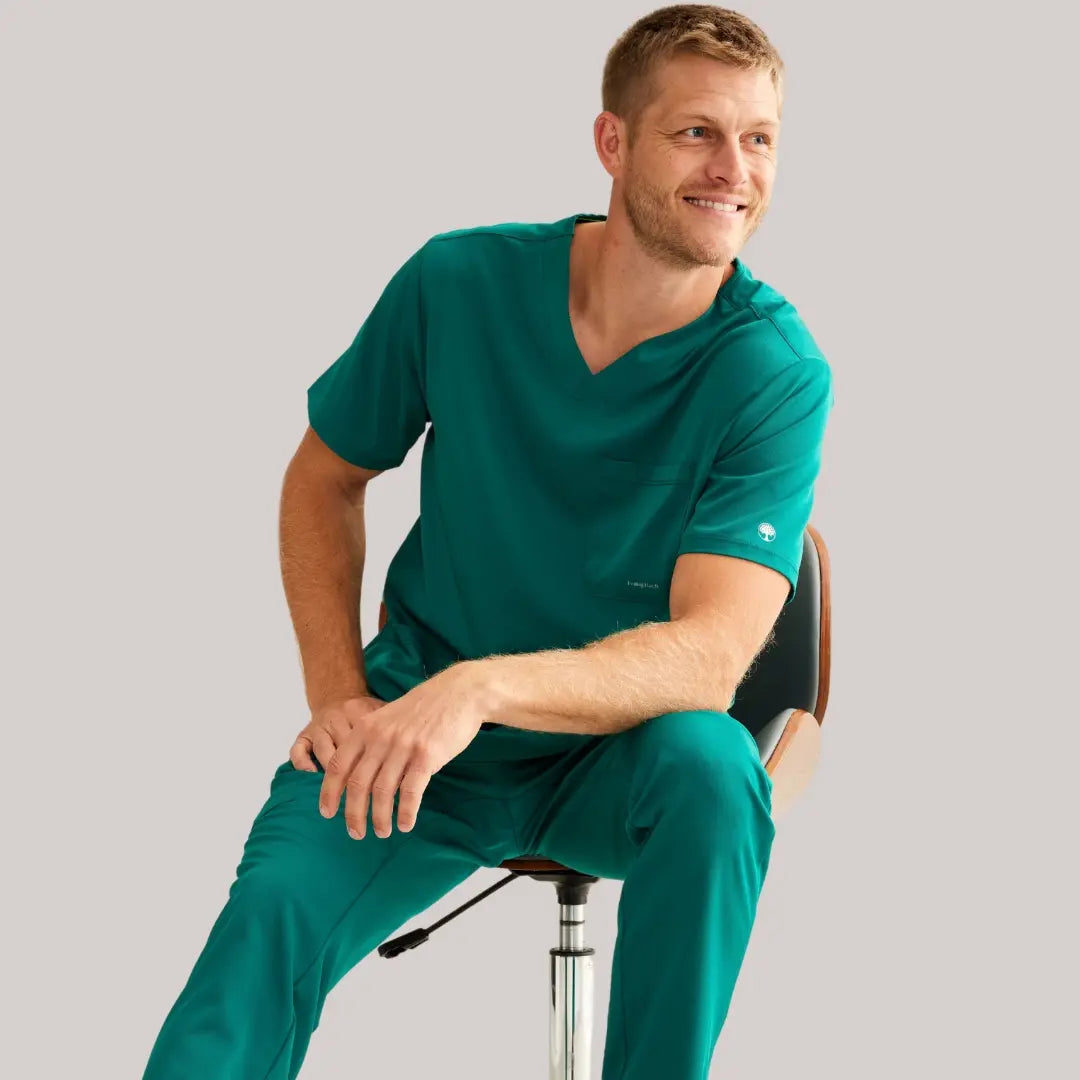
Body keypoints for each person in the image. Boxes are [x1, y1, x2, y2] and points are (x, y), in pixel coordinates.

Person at [141, 5, 834, 1078]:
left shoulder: (773, 372)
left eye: (761, 138)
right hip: (419, 739)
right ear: (614, 143)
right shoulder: (459, 283)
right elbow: (324, 479)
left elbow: (709, 658)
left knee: (711, 767)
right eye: (697, 132)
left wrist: (484, 689)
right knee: (262, 933)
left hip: (621, 757)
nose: (733, 170)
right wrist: (338, 696)